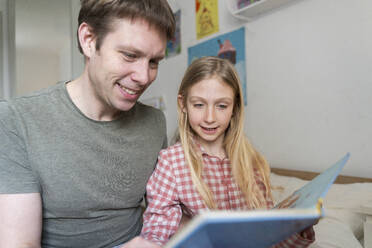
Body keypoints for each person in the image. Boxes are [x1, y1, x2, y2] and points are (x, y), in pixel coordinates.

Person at [0, 0, 175, 247]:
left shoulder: (154, 122)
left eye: (154, 62)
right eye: (130, 55)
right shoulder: (16, 119)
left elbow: (163, 211)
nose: (144, 77)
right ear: (89, 40)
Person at [140, 56, 316, 247]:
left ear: (234, 108)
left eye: (222, 106)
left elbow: (269, 240)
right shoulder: (171, 163)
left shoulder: (252, 161)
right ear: (183, 105)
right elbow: (156, 232)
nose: (210, 117)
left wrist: (297, 225)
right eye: (199, 105)